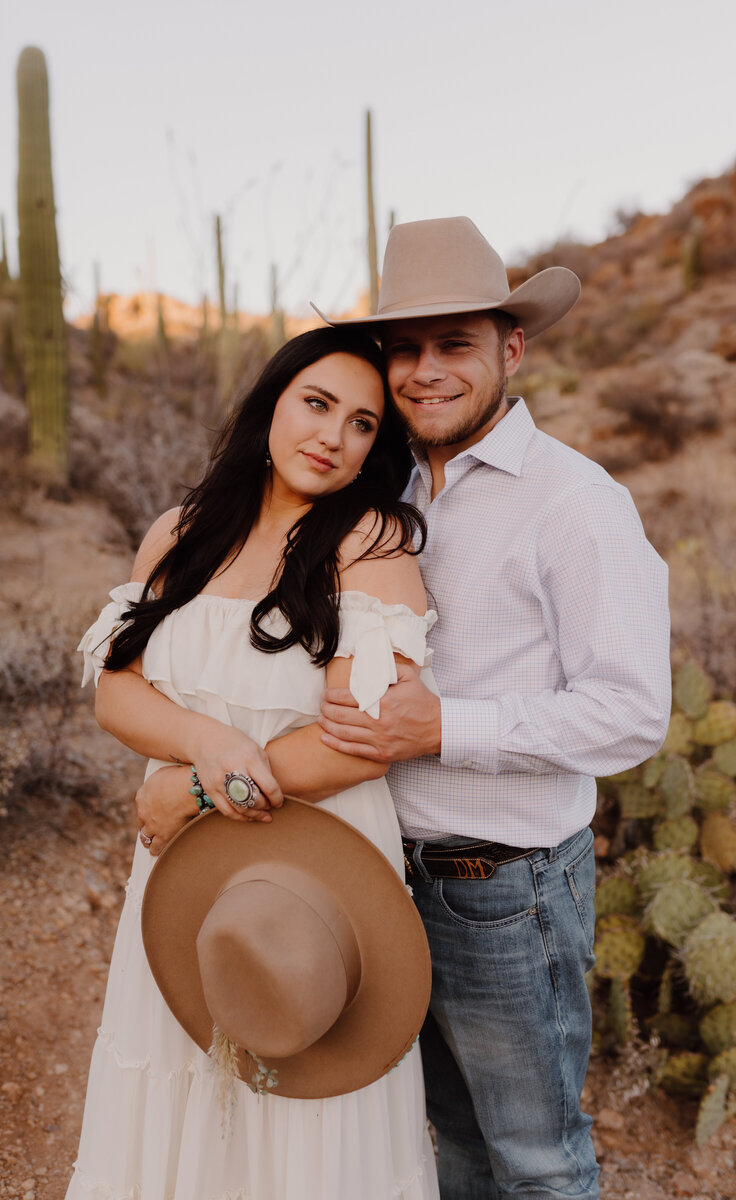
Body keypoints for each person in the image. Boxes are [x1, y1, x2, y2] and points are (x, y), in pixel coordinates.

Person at [313, 216, 673, 1200]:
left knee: (536, 1162)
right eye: (403, 350)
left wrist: (444, 725)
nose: (425, 371)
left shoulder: (574, 502)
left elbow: (633, 712)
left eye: (454, 344)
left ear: (511, 348)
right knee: (456, 1152)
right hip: (389, 876)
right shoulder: (380, 486)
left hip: (503, 894)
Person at [66, 327, 440, 1200]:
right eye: (317, 404)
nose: (333, 437)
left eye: (362, 425)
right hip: (185, 866)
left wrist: (195, 788)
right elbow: (115, 695)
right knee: (181, 1060)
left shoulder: (371, 543)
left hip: (315, 860)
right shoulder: (179, 532)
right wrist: (210, 746)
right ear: (271, 402)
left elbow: (359, 746)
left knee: (299, 1066)